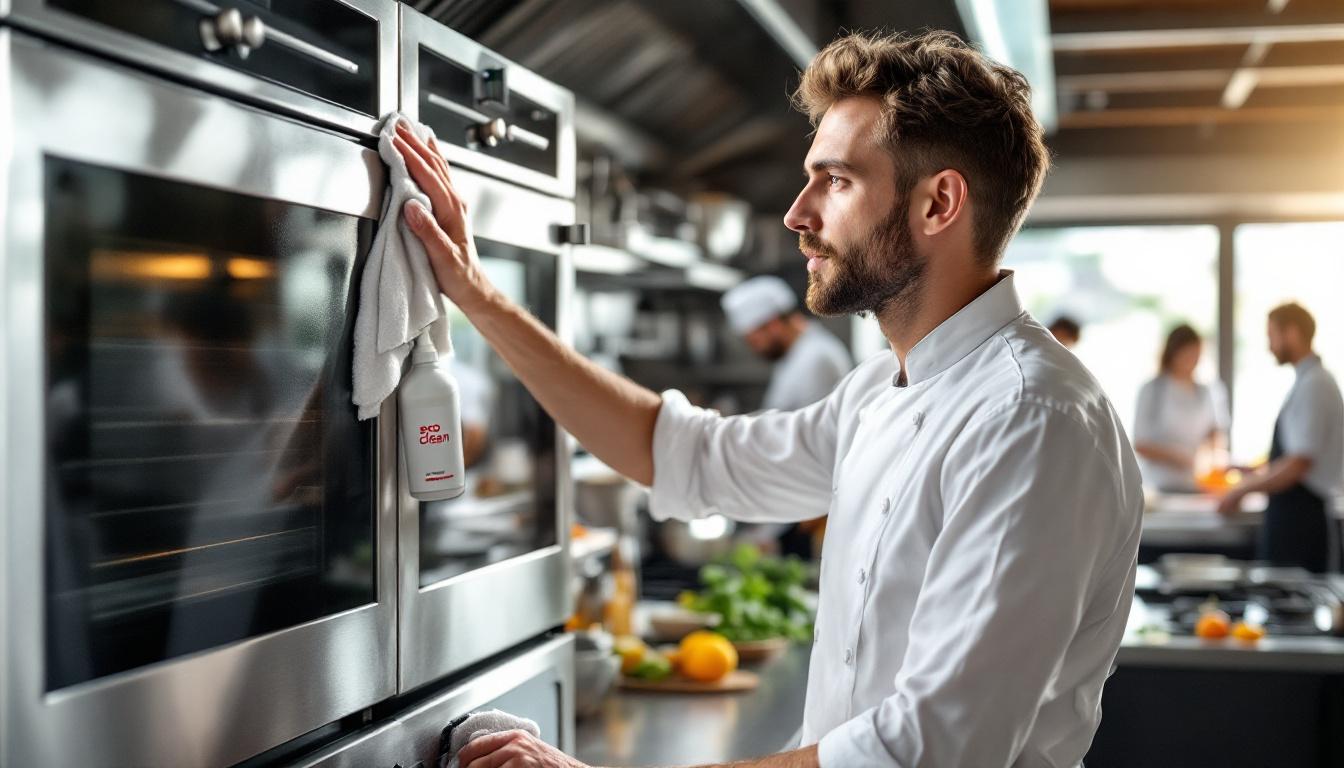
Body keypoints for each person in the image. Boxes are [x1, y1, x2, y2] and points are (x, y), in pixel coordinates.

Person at [394, 29, 1142, 768]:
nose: (797, 213)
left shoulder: (1031, 419)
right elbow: (683, 452)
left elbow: (928, 751)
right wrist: (476, 292)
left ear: (939, 203)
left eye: (836, 180)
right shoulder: (880, 390)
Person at [1218, 303, 1343, 573]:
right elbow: (1293, 456)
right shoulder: (1308, 381)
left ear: (1292, 333)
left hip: (1304, 522)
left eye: (1271, 335)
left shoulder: (1316, 385)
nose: (1269, 346)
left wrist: (1243, 488)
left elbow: (1299, 464)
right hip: (1295, 517)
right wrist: (1253, 470)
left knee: (1296, 608)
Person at [721, 275, 853, 411]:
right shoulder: (795, 353)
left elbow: (811, 428)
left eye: (754, 340)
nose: (754, 349)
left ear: (773, 325)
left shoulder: (816, 358)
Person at [1133, 324, 1229, 492]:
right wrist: (1177, 457)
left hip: (1198, 484)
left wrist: (1212, 455)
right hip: (1159, 484)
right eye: (1187, 354)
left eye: (1196, 354)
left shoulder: (1207, 391)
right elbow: (1140, 443)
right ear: (1173, 352)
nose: (1192, 360)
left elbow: (1215, 431)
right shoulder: (1152, 390)